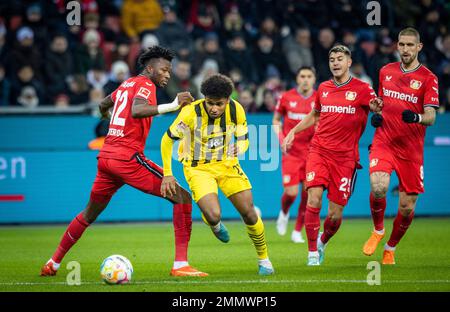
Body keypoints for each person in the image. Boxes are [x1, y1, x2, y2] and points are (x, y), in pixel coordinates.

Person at [40, 46, 208, 277]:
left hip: (107, 157)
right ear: (150, 68)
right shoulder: (145, 85)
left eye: (169, 71)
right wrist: (173, 105)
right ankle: (180, 265)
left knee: (89, 213)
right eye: (164, 69)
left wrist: (115, 127)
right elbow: (138, 111)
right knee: (182, 197)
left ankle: (53, 263)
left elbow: (102, 105)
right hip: (127, 158)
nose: (168, 74)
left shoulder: (126, 84)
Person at [160, 74, 274, 276]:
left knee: (249, 212)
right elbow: (167, 140)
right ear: (204, 98)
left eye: (219, 104)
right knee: (213, 215)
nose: (214, 108)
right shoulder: (190, 113)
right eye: (210, 103)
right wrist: (168, 174)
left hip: (226, 164)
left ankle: (263, 259)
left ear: (228, 100)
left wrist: (240, 146)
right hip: (198, 168)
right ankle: (213, 224)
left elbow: (244, 138)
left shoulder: (236, 109)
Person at [283, 45, 383, 266]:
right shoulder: (324, 88)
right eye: (332, 59)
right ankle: (311, 253)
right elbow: (314, 114)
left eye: (340, 59)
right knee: (313, 197)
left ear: (349, 62)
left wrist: (377, 108)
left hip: (346, 158)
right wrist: (293, 131)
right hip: (318, 151)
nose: (335, 63)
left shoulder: (363, 89)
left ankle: (322, 241)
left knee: (335, 215)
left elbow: (378, 107)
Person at [363, 27, 439, 265]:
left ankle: (390, 248)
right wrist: (376, 112)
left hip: (410, 148)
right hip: (384, 139)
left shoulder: (429, 78)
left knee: (406, 207)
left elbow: (431, 116)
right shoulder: (386, 71)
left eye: (409, 45)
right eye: (402, 44)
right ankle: (378, 231)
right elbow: (380, 102)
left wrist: (415, 118)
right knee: (378, 187)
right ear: (397, 45)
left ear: (419, 47)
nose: (405, 49)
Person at [273, 66, 317, 243]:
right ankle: (284, 213)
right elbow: (276, 120)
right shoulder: (286, 97)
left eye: (309, 76)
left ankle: (298, 230)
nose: (305, 79)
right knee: (291, 193)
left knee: (309, 194)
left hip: (312, 153)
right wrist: (281, 138)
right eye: (302, 76)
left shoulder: (319, 99)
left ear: (314, 79)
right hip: (291, 153)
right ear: (297, 79)